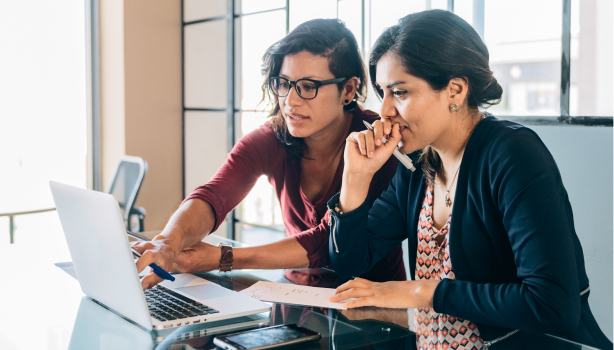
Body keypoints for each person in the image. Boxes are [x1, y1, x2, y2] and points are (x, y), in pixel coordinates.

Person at [326, 10, 612, 350]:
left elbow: (552, 305)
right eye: (382, 92)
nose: (384, 110)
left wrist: (422, 290)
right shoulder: (417, 165)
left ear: (456, 90)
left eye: (399, 92)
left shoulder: (512, 154)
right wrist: (356, 178)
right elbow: (349, 263)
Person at [131, 18, 405, 291]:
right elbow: (214, 195)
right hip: (293, 293)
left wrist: (222, 258)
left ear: (348, 89)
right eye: (283, 83)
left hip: (371, 308)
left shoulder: (379, 144)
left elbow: (326, 243)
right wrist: (168, 242)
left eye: (308, 87)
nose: (290, 101)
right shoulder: (275, 136)